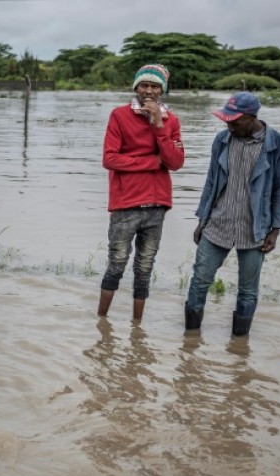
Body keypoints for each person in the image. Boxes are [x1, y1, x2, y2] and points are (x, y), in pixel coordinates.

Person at [184, 92, 280, 336]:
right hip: (218, 223)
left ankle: (239, 344)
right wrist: (202, 220)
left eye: (235, 121)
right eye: (227, 120)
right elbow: (211, 182)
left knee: (247, 290)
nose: (229, 126)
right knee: (200, 280)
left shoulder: (278, 145)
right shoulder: (222, 140)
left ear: (252, 118)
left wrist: (275, 230)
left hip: (254, 228)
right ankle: (190, 340)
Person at [97, 64, 185, 321]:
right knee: (117, 264)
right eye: (144, 85)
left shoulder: (171, 120)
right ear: (136, 87)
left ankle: (137, 327)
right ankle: (101, 322)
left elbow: (175, 162)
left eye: (155, 86)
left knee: (145, 268)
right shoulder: (119, 115)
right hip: (126, 203)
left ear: (162, 90)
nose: (149, 91)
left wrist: (158, 125)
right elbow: (110, 159)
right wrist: (153, 162)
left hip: (157, 205)